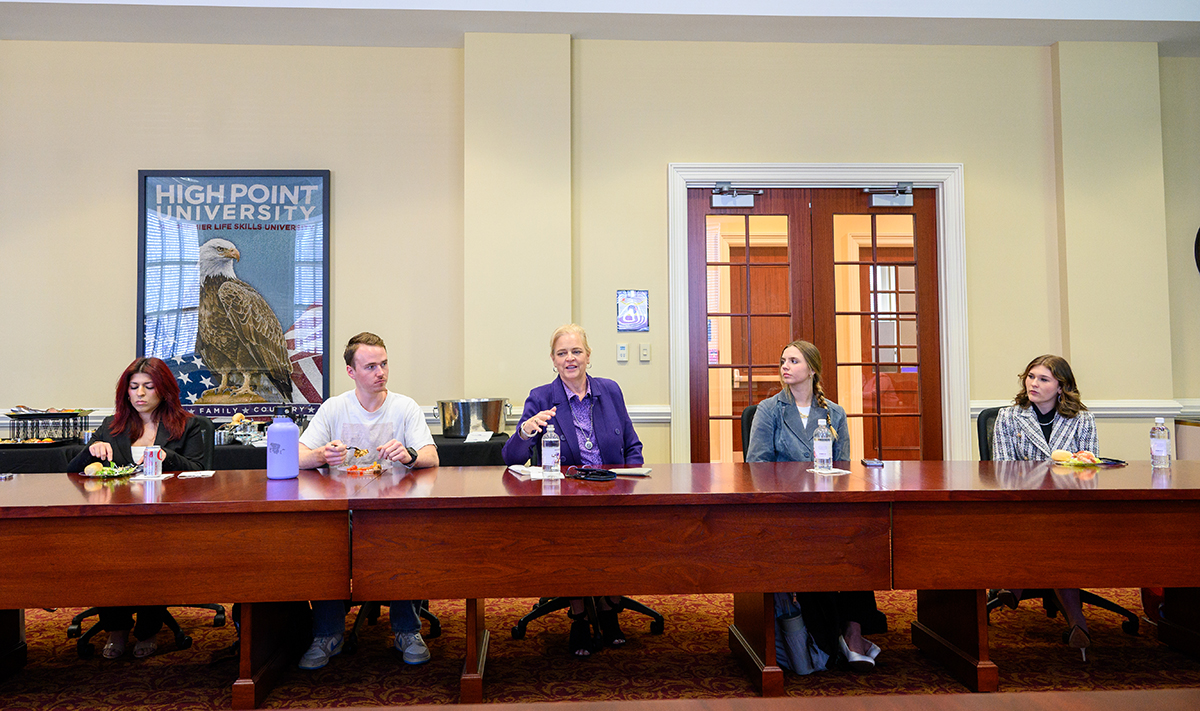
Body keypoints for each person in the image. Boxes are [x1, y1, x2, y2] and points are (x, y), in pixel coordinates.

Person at [297, 332, 439, 670]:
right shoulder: (335, 408)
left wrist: (410, 454)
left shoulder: (404, 407)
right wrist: (321, 454)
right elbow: (296, 456)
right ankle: (327, 634)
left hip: (392, 509)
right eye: (371, 366)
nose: (381, 372)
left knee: (404, 536)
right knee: (322, 539)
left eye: (384, 364)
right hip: (342, 511)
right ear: (351, 371)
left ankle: (407, 631)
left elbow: (432, 457)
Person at [502, 323, 643, 657]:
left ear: (588, 356)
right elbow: (511, 458)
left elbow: (632, 446)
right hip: (563, 499)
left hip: (611, 492)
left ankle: (608, 607)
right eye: (562, 353)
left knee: (621, 531)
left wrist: (631, 485)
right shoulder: (541, 397)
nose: (570, 358)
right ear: (553, 360)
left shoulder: (610, 390)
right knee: (573, 535)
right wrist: (526, 431)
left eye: (576, 351)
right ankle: (579, 615)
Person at [745, 340, 882, 673]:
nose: (785, 366)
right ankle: (829, 638)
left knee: (859, 545)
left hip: (827, 507)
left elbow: (845, 467)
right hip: (785, 511)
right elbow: (756, 466)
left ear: (812, 369)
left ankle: (853, 634)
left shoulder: (834, 413)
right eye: (783, 360)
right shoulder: (769, 410)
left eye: (794, 361)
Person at [68, 356, 212, 659]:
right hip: (116, 517)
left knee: (153, 555)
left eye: (149, 386)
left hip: (165, 518)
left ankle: (148, 629)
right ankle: (116, 629)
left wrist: (165, 456)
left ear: (164, 390)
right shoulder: (112, 426)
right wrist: (91, 450)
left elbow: (200, 471)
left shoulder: (188, 426)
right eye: (134, 387)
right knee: (107, 557)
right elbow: (73, 471)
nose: (140, 394)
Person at [990, 354, 1098, 659]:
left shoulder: (1082, 419)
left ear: (1061, 387)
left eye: (1043, 379)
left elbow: (1089, 467)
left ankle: (1016, 584)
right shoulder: (1009, 417)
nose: (1033, 384)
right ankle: (1077, 621)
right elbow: (1003, 469)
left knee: (1057, 531)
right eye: (1030, 377)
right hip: (1021, 503)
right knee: (1050, 534)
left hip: (1067, 504)